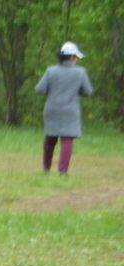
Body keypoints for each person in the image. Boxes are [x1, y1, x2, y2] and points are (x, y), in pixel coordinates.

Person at [36, 42, 95, 175]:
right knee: (67, 140)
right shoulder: (80, 72)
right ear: (73, 57)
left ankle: (46, 169)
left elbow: (40, 89)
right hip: (70, 110)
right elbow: (88, 92)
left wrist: (53, 90)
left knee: (50, 140)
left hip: (52, 109)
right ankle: (63, 171)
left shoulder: (51, 71)